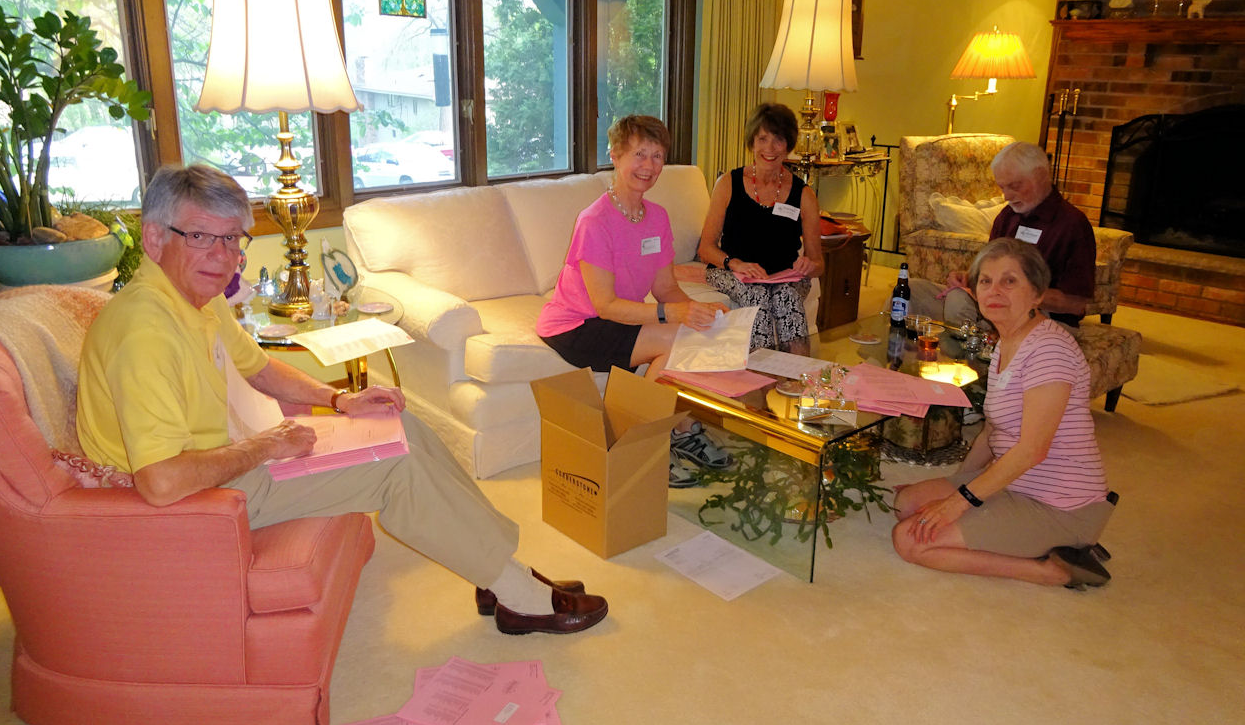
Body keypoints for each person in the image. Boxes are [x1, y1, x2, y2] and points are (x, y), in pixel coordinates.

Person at [77, 164, 607, 636]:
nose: (222, 256)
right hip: (202, 503)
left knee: (401, 427)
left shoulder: (194, 297)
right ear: (154, 238)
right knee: (395, 468)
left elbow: (260, 368)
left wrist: (339, 402)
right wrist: (264, 447)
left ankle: (497, 574)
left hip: (220, 468)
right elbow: (162, 482)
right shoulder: (146, 332)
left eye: (232, 239)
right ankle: (516, 594)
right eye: (200, 236)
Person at [892, 239, 1116, 589]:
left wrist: (958, 503)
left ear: (1037, 294)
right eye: (986, 281)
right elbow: (991, 432)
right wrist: (955, 486)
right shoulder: (1007, 341)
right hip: (1015, 483)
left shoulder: (1050, 349)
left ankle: (1054, 569)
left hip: (1059, 505)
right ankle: (1032, 540)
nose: (994, 291)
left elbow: (1032, 450)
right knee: (906, 504)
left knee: (909, 540)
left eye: (1009, 281)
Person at [536, 114, 730, 486]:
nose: (649, 166)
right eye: (639, 154)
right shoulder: (595, 220)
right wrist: (673, 314)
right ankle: (636, 444)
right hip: (577, 325)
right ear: (616, 155)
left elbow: (666, 289)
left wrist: (698, 310)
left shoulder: (656, 217)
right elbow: (605, 306)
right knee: (676, 338)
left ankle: (678, 429)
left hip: (621, 318)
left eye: (657, 156)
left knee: (698, 331)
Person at [907, 141, 1096, 329]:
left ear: (1040, 175)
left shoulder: (1072, 224)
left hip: (1041, 317)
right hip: (990, 305)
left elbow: (1076, 304)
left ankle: (967, 344)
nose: (1007, 196)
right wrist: (968, 278)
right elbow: (989, 270)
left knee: (957, 303)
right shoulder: (1007, 216)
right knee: (910, 291)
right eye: (1002, 187)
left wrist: (1016, 292)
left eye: (1014, 186)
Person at [697, 103, 823, 353]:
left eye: (778, 140)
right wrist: (736, 264)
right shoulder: (728, 183)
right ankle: (759, 371)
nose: (769, 148)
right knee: (757, 295)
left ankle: (798, 371)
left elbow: (818, 262)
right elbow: (706, 249)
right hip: (732, 271)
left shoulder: (804, 194)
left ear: (788, 145)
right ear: (752, 142)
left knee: (786, 296)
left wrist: (809, 265)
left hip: (784, 275)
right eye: (762, 139)